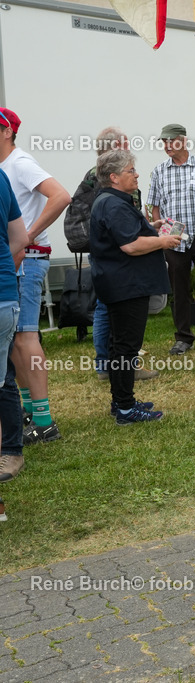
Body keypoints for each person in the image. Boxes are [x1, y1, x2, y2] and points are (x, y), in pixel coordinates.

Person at [0, 107, 71, 445]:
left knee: (26, 337)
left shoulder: (19, 163)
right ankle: (31, 413)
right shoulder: (6, 166)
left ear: (7, 131)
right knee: (15, 339)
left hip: (28, 259)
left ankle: (44, 422)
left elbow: (61, 196)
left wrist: (27, 235)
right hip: (18, 258)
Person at [90, 150, 175, 425]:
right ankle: (126, 409)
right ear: (114, 177)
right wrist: (162, 242)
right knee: (126, 348)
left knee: (119, 347)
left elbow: (128, 235)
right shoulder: (113, 204)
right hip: (127, 284)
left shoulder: (109, 201)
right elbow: (130, 245)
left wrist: (151, 227)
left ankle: (120, 401)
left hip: (120, 283)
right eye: (130, 170)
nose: (136, 174)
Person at [69, 127, 157, 381]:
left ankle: (110, 364)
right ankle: (114, 365)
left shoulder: (99, 174)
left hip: (108, 252)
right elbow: (117, 224)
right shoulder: (102, 178)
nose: (129, 149)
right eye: (124, 145)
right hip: (113, 256)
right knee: (111, 311)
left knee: (106, 308)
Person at [147, 123, 195, 355]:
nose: (167, 146)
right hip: (173, 239)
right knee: (179, 289)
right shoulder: (160, 171)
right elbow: (155, 208)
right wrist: (162, 237)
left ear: (182, 141)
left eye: (170, 141)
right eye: (163, 142)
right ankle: (183, 338)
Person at [0, 168, 29, 480]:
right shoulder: (3, 176)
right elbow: (21, 238)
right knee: (5, 377)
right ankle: (11, 452)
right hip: (5, 294)